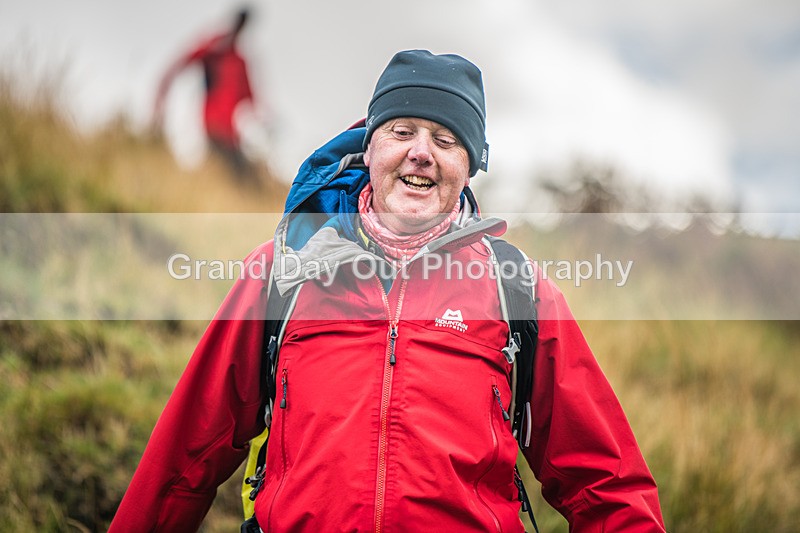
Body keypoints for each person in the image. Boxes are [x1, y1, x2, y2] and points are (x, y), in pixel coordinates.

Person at [111, 50, 666, 531]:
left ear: (468, 169)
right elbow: (183, 456)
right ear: (370, 148)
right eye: (402, 132)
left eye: (446, 140)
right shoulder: (284, 273)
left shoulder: (517, 288)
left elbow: (606, 484)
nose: (421, 152)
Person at [153, 7, 259, 181]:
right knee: (227, 173)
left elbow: (251, 98)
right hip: (213, 124)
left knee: (238, 175)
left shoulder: (239, 62)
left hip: (230, 133)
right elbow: (182, 62)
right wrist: (162, 91)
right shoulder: (213, 50)